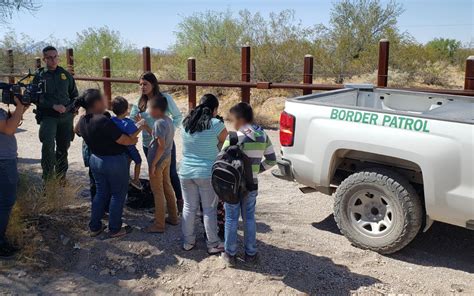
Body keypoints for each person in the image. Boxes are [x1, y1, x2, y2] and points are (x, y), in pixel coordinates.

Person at [76, 89, 139, 238]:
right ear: (97, 103)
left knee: (101, 193)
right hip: (114, 161)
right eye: (103, 99)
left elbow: (77, 131)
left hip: (96, 160)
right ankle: (115, 228)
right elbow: (122, 140)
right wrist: (133, 140)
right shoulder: (103, 121)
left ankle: (95, 226)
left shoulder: (84, 120)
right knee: (118, 194)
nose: (106, 101)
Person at [221, 103, 277, 266]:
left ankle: (230, 255)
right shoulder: (262, 135)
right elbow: (272, 159)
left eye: (233, 120)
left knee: (231, 218)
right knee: (249, 219)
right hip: (251, 185)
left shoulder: (234, 137)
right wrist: (255, 171)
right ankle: (251, 254)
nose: (232, 123)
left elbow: (222, 160)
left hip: (233, 187)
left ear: (241, 119)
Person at [180, 94, 228, 254]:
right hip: (206, 172)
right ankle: (213, 243)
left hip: (186, 171)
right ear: (214, 109)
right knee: (209, 209)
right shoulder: (216, 124)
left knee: (188, 207)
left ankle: (188, 241)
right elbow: (227, 143)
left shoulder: (186, 123)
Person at [130, 72, 183, 212]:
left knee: (171, 173)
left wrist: (169, 131)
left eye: (145, 84)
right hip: (149, 145)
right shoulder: (138, 102)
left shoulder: (165, 98)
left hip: (166, 144)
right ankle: (161, 206)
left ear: (153, 84)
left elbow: (178, 117)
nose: (142, 87)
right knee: (156, 175)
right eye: (140, 84)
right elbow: (132, 121)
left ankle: (180, 203)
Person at [34, 45, 78, 181]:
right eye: (49, 58)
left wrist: (70, 108)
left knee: (63, 147)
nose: (53, 60)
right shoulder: (39, 76)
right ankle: (48, 179)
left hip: (66, 117)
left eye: (55, 57)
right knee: (48, 147)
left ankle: (61, 177)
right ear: (44, 59)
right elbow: (34, 97)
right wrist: (53, 106)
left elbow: (74, 95)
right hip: (48, 117)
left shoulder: (66, 75)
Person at [144, 96, 179, 233]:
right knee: (167, 186)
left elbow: (161, 146)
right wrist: (146, 126)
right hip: (167, 158)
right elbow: (157, 136)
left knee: (158, 192)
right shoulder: (167, 120)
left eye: (149, 108)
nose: (147, 111)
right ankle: (173, 217)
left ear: (156, 110)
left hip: (158, 161)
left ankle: (159, 224)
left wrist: (153, 165)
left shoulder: (159, 123)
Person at [0, 97, 27, 258]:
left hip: (5, 160)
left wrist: (20, 109)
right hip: (3, 161)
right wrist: (19, 107)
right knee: (5, 202)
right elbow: (9, 129)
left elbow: (10, 123)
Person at [111, 96, 145, 190]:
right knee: (138, 161)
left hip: (120, 147)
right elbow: (132, 136)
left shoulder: (113, 120)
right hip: (130, 146)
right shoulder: (127, 123)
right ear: (126, 110)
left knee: (128, 161)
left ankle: (126, 176)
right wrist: (141, 127)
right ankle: (136, 180)